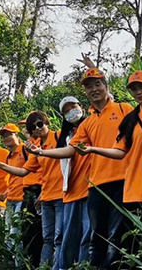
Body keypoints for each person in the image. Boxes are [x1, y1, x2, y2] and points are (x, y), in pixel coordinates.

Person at [23, 67, 133, 269]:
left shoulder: (124, 109)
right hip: (96, 186)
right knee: (96, 239)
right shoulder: (87, 123)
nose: (94, 89)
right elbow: (69, 150)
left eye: (97, 84)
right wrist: (40, 152)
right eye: (89, 87)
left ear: (106, 86)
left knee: (117, 236)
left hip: (122, 180)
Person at [76, 71, 142, 268]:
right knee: (128, 245)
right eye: (134, 89)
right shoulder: (131, 118)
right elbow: (120, 151)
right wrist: (92, 149)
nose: (139, 92)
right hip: (132, 189)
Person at [0, 112, 64, 270]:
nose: (36, 129)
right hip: (43, 198)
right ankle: (42, 267)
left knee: (59, 237)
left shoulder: (58, 137)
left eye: (39, 124)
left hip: (60, 195)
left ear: (47, 123)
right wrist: (0, 165)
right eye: (32, 128)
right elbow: (24, 171)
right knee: (46, 238)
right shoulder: (33, 150)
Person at [56, 96, 91, 270]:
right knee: (69, 236)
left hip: (90, 189)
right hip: (71, 191)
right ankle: (63, 267)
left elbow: (107, 100)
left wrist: (92, 67)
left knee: (88, 234)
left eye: (73, 107)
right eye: (66, 110)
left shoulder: (92, 125)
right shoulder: (64, 137)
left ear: (82, 107)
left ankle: (84, 266)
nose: (71, 112)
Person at [0, 123, 27, 262]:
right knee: (9, 235)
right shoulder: (9, 156)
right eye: (4, 137)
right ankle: (12, 264)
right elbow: (14, 177)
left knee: (16, 234)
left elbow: (29, 172)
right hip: (11, 199)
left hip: (22, 198)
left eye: (9, 135)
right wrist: (6, 192)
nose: (6, 138)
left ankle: (21, 264)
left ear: (17, 135)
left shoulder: (25, 150)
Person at [19, 121, 44, 268]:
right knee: (28, 233)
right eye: (27, 127)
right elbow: (23, 171)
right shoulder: (26, 147)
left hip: (42, 190)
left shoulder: (45, 143)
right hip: (27, 192)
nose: (30, 130)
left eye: (35, 125)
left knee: (43, 233)